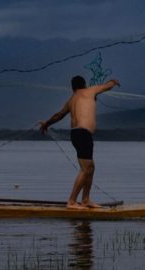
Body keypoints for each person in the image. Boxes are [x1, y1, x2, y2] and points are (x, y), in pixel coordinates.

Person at [39, 75, 120, 209]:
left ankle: (86, 200)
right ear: (85, 85)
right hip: (82, 134)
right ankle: (71, 201)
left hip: (79, 134)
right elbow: (107, 86)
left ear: (72, 88)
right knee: (85, 168)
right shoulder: (89, 91)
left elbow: (58, 115)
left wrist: (46, 123)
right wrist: (113, 81)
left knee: (91, 167)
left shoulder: (71, 100)